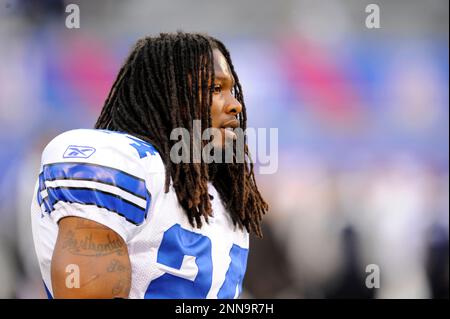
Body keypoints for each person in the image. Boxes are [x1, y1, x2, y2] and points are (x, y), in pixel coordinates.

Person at [31, 32, 268, 299]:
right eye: (215, 89)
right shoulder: (119, 164)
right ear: (170, 94)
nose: (235, 104)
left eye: (232, 90)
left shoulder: (221, 196)